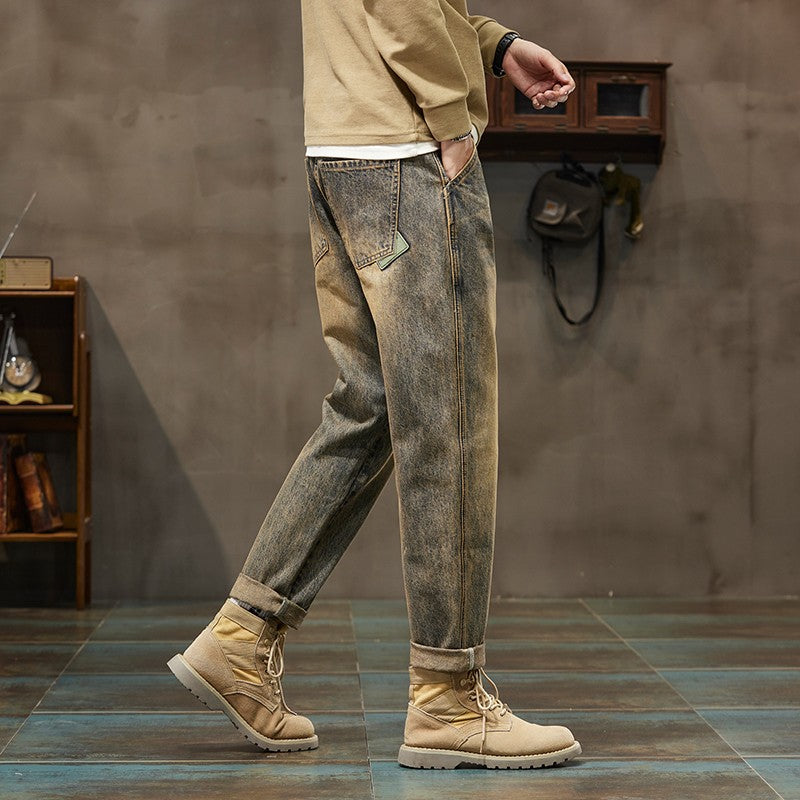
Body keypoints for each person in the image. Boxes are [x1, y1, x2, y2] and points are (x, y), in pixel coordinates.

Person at [168, 0, 580, 770]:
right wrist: (452, 118)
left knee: (375, 405)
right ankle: (449, 697)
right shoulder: (428, 134)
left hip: (343, 150)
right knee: (449, 418)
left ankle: (243, 637)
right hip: (406, 153)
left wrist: (495, 45)